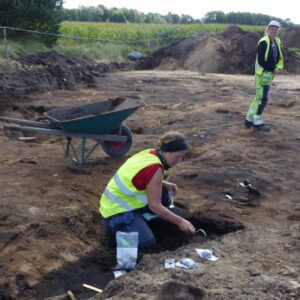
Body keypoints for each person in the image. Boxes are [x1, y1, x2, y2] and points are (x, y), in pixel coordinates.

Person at [99, 131, 196, 250]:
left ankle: (138, 223)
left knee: (164, 193)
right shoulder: (155, 168)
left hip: (110, 204)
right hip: (118, 212)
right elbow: (155, 206)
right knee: (147, 243)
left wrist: (163, 183)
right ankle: (118, 236)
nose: (180, 160)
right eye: (177, 156)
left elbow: (140, 177)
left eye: (182, 156)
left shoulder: (150, 153)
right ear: (167, 151)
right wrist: (180, 222)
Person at [245, 20, 284, 131]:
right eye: (272, 29)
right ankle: (257, 122)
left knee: (259, 98)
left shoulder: (277, 41)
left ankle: (248, 119)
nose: (274, 31)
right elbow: (261, 61)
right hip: (262, 75)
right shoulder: (263, 42)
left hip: (268, 75)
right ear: (268, 29)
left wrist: (278, 67)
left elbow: (278, 57)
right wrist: (273, 68)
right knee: (262, 99)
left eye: (276, 29)